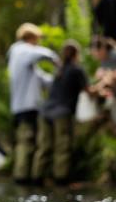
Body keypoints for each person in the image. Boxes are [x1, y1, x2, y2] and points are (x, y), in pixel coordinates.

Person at [7, 23, 59, 184]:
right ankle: (21, 177)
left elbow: (40, 78)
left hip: (26, 106)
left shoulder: (22, 59)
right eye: (37, 40)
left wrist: (58, 80)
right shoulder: (20, 50)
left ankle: (29, 177)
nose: (38, 43)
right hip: (25, 106)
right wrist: (58, 61)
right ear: (30, 38)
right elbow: (43, 54)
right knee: (25, 141)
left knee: (30, 141)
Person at [32, 41, 89, 184]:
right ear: (76, 54)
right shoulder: (76, 70)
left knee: (44, 147)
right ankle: (61, 179)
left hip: (46, 112)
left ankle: (37, 178)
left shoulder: (59, 70)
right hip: (61, 113)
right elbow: (88, 90)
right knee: (62, 146)